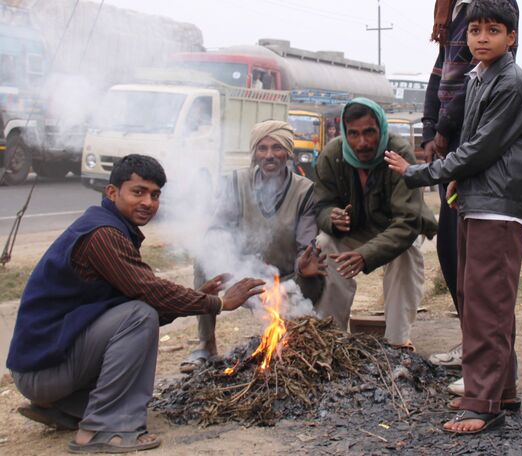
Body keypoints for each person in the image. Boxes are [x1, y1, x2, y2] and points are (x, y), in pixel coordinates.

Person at [6, 154, 265, 453]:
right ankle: (102, 429)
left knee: (140, 313)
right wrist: (217, 303)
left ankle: (63, 406)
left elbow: (141, 298)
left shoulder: (111, 228)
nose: (148, 203)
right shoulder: (103, 235)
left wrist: (198, 298)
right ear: (112, 193)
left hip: (47, 366)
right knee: (139, 315)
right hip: (42, 371)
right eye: (138, 192)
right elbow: (147, 293)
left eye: (155, 195)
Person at [385, 0, 522, 433]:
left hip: (498, 207)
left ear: (512, 37)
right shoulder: (480, 78)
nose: (481, 38)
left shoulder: (510, 84)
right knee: (481, 301)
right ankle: (500, 391)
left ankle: (482, 404)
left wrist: (420, 173)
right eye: (475, 30)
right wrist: (458, 181)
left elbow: (478, 149)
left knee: (486, 304)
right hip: (479, 199)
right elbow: (472, 141)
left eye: (493, 30)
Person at [180, 120, 326, 373]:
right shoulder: (237, 182)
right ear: (254, 153)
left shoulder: (305, 191)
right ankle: (206, 344)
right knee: (204, 259)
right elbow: (218, 228)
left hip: (288, 280)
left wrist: (303, 265)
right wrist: (223, 255)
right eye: (262, 148)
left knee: (316, 274)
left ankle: (295, 341)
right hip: (245, 277)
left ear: (288, 153)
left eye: (277, 148)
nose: (269, 155)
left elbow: (306, 244)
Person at [422, 0, 518, 371]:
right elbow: (438, 74)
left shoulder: (495, 7)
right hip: (448, 140)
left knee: (475, 258)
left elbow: (479, 76)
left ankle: (495, 360)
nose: (481, 36)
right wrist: (430, 128)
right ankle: (474, 347)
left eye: (489, 32)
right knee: (451, 253)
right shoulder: (453, 9)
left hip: (471, 138)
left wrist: (445, 130)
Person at [314, 98, 437, 348]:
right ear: (344, 133)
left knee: (408, 255)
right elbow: (321, 204)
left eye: (369, 132)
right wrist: (332, 217)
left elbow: (407, 222)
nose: (362, 142)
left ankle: (398, 342)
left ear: (381, 128)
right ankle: (332, 339)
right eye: (354, 134)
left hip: (392, 231)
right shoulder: (332, 155)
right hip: (354, 230)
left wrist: (365, 255)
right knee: (325, 243)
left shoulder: (399, 153)